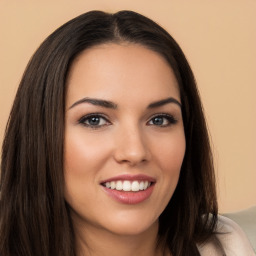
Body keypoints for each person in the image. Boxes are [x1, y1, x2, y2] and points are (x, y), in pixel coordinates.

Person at [0, 10, 254, 256]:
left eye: (159, 119)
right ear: (40, 136)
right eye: (95, 120)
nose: (134, 151)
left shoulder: (226, 246)